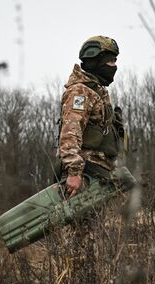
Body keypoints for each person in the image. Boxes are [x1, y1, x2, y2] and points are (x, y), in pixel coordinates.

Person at [58, 35, 127, 197]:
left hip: (99, 172)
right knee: (80, 223)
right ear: (96, 62)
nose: (114, 66)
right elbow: (70, 133)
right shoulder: (80, 92)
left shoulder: (97, 91)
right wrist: (74, 173)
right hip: (84, 175)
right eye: (111, 61)